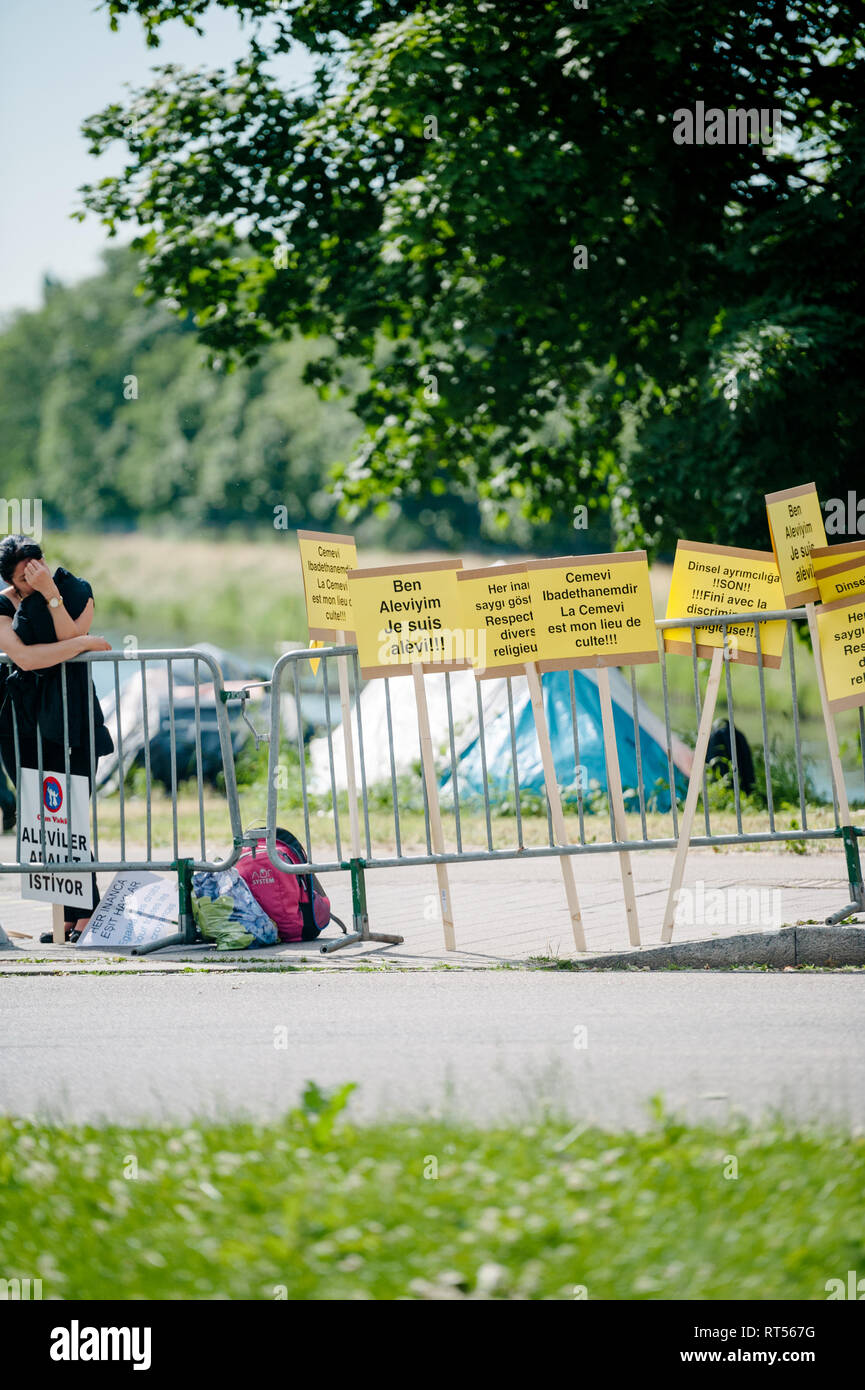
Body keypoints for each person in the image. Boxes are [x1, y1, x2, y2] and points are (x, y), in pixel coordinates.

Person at [0, 536, 113, 942]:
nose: (34, 576)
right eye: (24, 576)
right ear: (11, 582)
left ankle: (87, 913)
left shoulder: (76, 590)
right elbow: (27, 658)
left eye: (37, 566)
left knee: (72, 814)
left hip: (73, 719)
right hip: (23, 726)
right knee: (46, 819)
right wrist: (82, 643)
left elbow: (69, 635)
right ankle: (70, 917)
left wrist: (50, 595)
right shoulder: (2, 605)